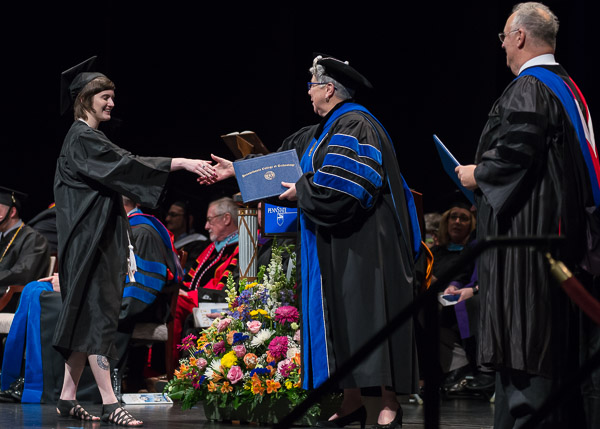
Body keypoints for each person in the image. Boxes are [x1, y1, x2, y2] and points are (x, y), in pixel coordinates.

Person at [205, 54, 421, 428]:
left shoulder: (356, 124)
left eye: (311, 85)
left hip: (369, 248)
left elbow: (344, 187)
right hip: (338, 245)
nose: (307, 92)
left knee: (371, 319)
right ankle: (352, 400)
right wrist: (236, 171)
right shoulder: (323, 131)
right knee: (344, 321)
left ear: (329, 88)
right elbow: (284, 167)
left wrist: (302, 190)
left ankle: (389, 404)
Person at [455, 3, 599, 428]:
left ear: (520, 37)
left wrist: (475, 174)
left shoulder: (530, 87)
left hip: (528, 249)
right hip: (564, 246)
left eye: (504, 37)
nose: (501, 46)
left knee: (528, 360)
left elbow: (514, 157)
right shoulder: (568, 87)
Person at [52, 56, 216, 426]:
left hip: (95, 239)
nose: (112, 103)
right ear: (85, 99)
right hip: (89, 242)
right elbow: (131, 165)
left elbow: (125, 164)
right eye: (105, 97)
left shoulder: (89, 138)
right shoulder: (82, 138)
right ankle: (111, 403)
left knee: (86, 317)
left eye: (112, 97)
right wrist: (184, 163)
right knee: (97, 320)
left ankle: (66, 396)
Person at [171, 196, 239, 366]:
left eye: (210, 220)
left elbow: (223, 292)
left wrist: (188, 295)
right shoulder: (211, 248)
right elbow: (189, 281)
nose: (206, 226)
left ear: (226, 219)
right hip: (196, 299)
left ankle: (173, 369)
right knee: (168, 300)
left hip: (216, 303)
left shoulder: (243, 245)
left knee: (176, 303)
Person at [0, 186, 50, 305]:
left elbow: (23, 274)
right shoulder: (2, 237)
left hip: (13, 299)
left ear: (12, 212)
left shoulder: (33, 239)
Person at [163, 200, 207, 269]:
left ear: (189, 219)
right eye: (167, 214)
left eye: (173, 215)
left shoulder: (198, 243)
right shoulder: (165, 239)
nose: (167, 219)